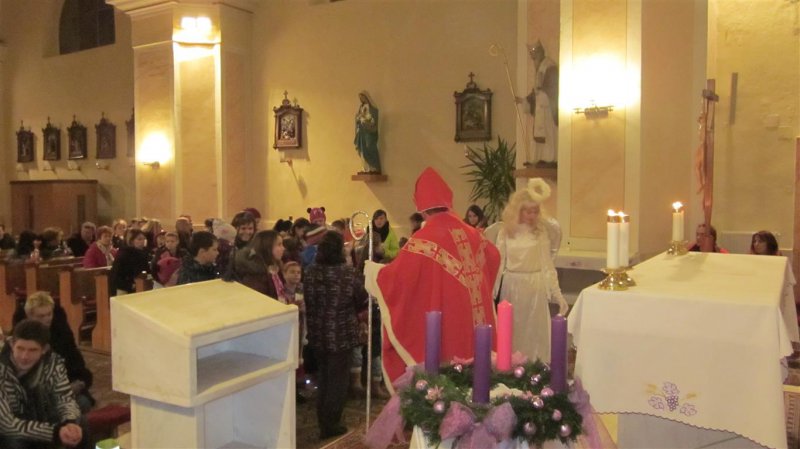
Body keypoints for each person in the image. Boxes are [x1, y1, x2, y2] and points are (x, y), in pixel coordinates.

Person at [364, 167, 500, 387]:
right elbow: (494, 255)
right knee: (478, 380)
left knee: (448, 379)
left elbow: (398, 278)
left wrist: (373, 272)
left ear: (420, 206)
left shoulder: (423, 239)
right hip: (477, 316)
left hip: (448, 318)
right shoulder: (474, 234)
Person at [496, 178, 568, 362]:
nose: (532, 215)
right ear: (518, 210)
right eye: (528, 211)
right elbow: (499, 263)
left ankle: (537, 367)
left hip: (534, 287)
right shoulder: (506, 232)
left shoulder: (540, 232)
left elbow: (547, 265)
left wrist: (557, 294)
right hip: (512, 287)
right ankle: (510, 366)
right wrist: (491, 292)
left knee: (535, 333)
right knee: (512, 331)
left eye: (535, 211)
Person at [304, 232, 368, 439]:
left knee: (323, 378)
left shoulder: (311, 271)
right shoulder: (347, 273)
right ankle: (331, 424)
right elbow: (362, 299)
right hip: (341, 334)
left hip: (317, 333)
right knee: (338, 382)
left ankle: (323, 419)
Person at [0, 319, 86, 449]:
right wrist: (54, 432)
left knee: (81, 423)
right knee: (14, 442)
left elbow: (64, 397)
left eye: (32, 350)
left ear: (44, 349)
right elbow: (6, 424)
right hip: (10, 426)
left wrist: (70, 422)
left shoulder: (53, 363)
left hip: (42, 415)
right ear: (12, 344)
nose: (24, 356)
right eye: (20, 348)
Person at [12, 292, 95, 413]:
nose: (47, 319)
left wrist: (79, 382)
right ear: (29, 316)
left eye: (49, 314)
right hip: (33, 393)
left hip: (63, 384)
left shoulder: (60, 332)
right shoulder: (22, 338)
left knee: (82, 403)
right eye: (41, 316)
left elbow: (73, 357)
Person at [525, 40, 558, 166]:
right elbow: (535, 91)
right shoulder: (539, 67)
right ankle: (537, 158)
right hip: (540, 108)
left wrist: (541, 90)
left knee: (548, 132)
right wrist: (525, 100)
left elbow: (553, 87)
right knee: (538, 134)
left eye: (534, 55)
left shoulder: (550, 66)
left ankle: (550, 158)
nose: (533, 59)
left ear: (540, 52)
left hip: (548, 108)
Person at [227, 230, 285, 299]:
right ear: (267, 247)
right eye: (279, 245)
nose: (283, 248)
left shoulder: (276, 267)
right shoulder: (255, 275)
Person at [109, 229, 151, 295]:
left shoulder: (143, 253)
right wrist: (131, 285)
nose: (143, 242)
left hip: (139, 286)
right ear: (131, 241)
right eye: (139, 239)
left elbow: (146, 270)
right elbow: (115, 276)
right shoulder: (124, 254)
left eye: (144, 239)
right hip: (123, 288)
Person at [354, 91, 381, 174]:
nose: (361, 99)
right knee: (362, 149)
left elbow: (373, 120)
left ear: (367, 98)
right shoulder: (361, 108)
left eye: (363, 97)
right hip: (362, 131)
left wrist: (366, 120)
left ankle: (373, 168)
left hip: (369, 131)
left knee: (370, 147)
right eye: (360, 98)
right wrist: (358, 118)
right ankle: (365, 168)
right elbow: (358, 117)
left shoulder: (372, 109)